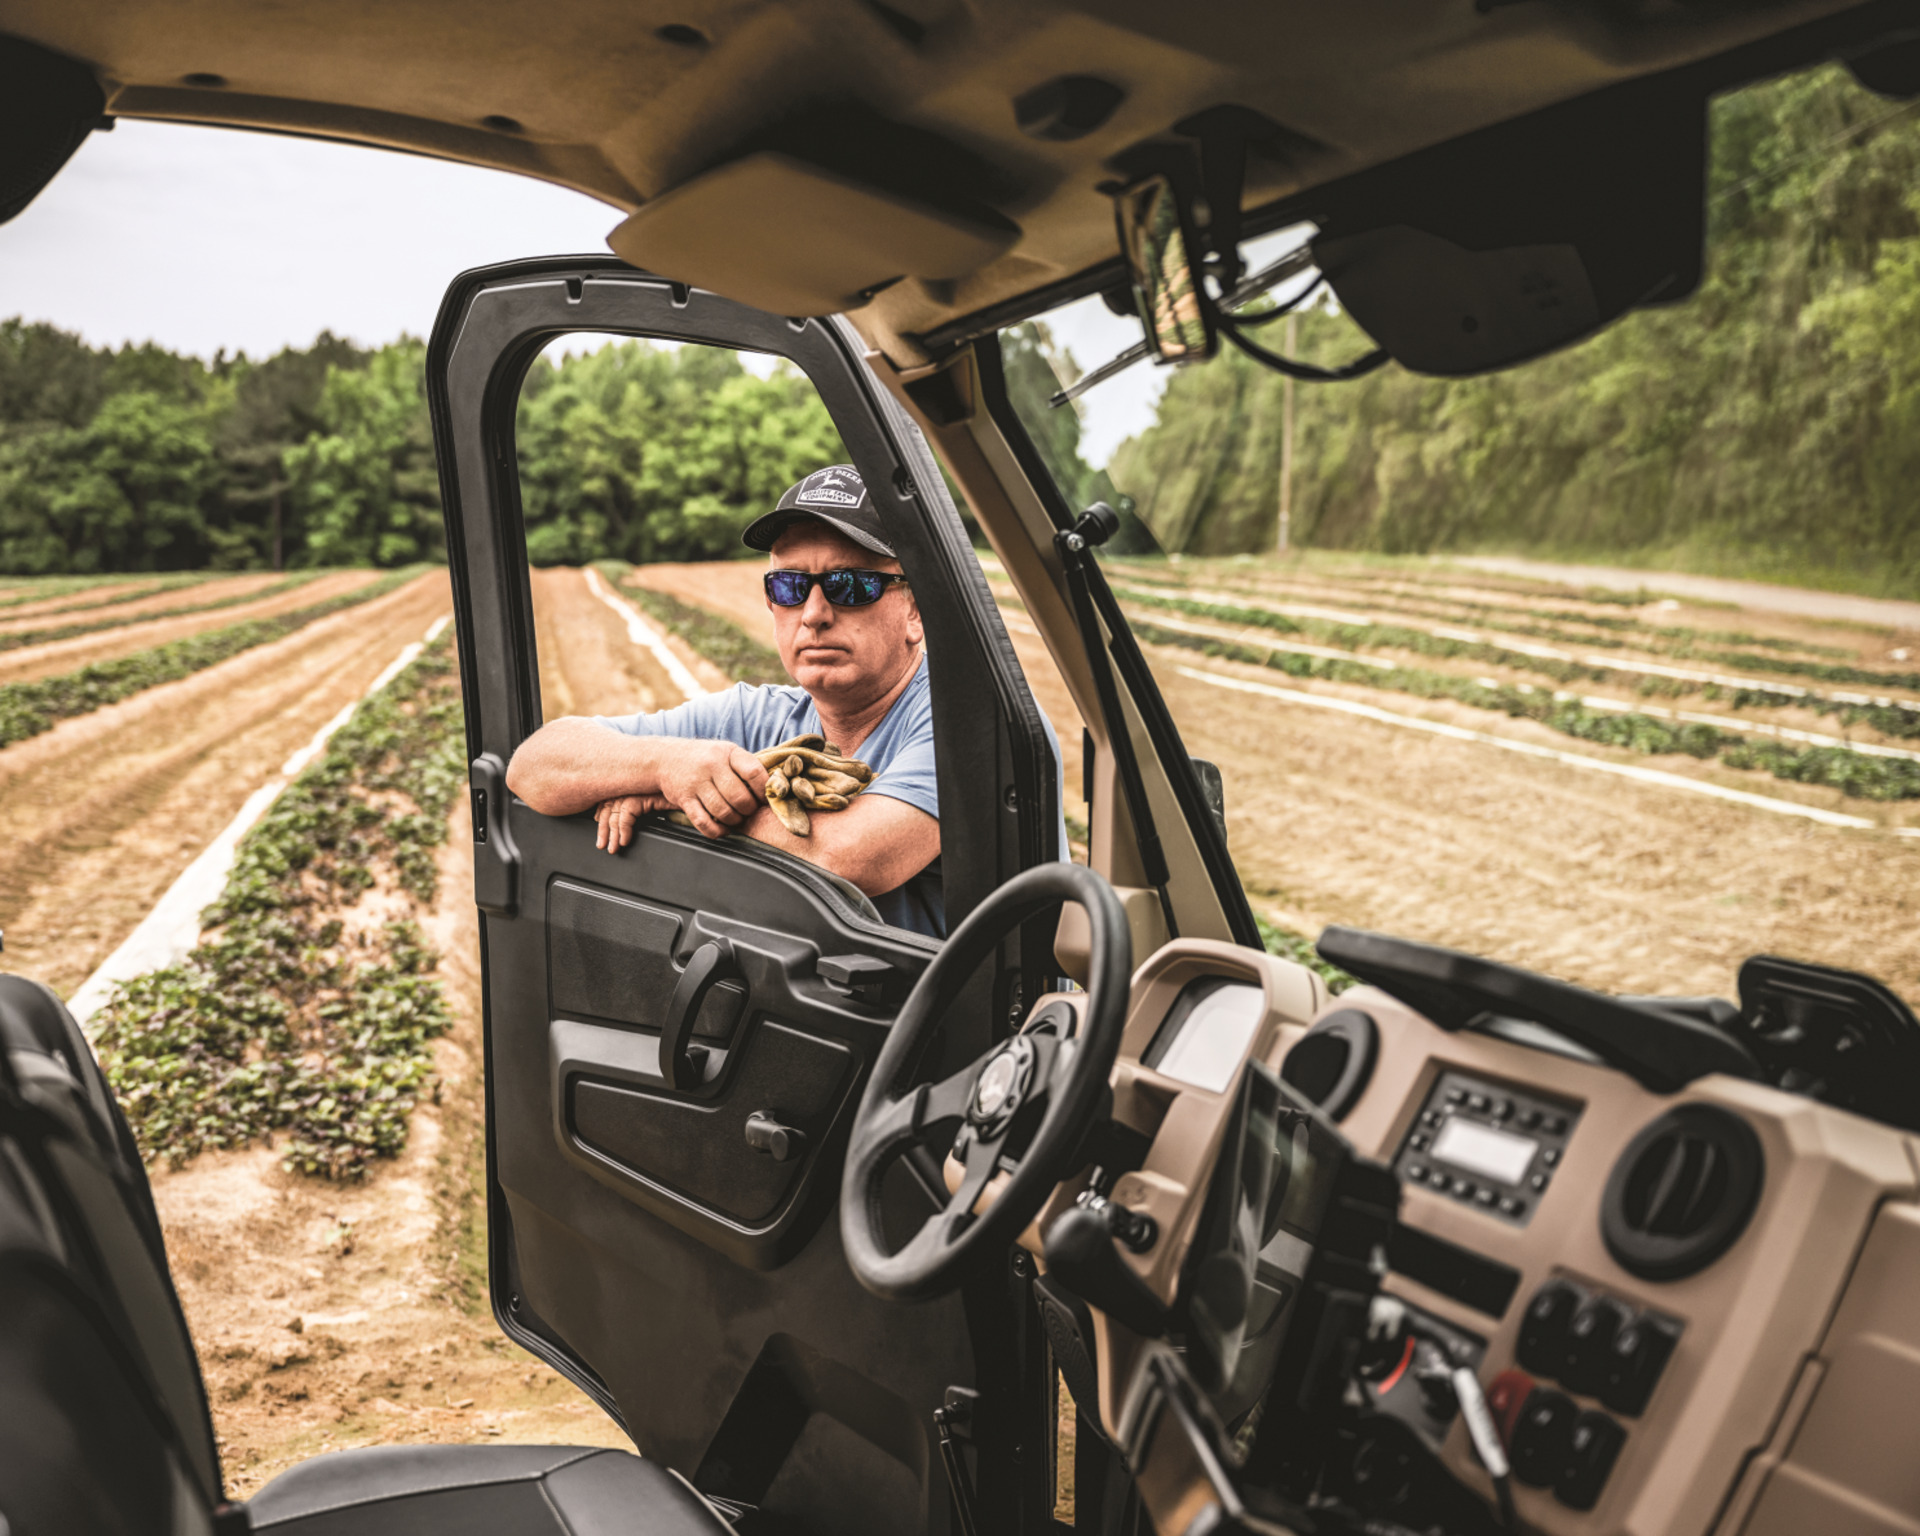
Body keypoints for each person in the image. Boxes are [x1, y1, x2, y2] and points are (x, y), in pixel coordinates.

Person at [506, 464, 947, 935]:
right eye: (790, 587)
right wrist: (667, 767)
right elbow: (532, 767)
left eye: (850, 586)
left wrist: (673, 800)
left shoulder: (963, 721)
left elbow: (849, 857)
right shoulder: (755, 715)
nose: (814, 614)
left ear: (914, 610)